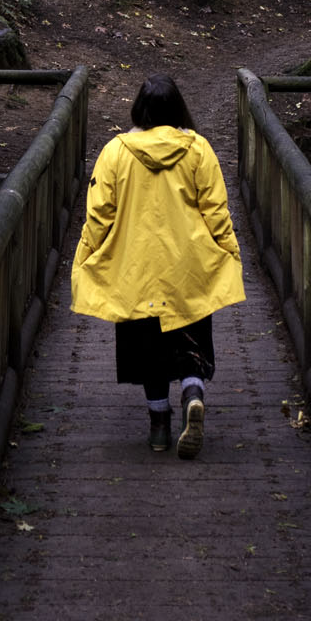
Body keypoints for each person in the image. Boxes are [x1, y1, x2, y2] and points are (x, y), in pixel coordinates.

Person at [71, 74, 245, 458]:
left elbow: (99, 213)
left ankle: (160, 430)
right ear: (178, 108)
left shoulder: (116, 152)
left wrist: (86, 255)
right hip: (189, 267)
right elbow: (216, 210)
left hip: (135, 269)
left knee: (147, 349)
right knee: (191, 337)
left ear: (139, 108)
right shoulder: (198, 149)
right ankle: (193, 395)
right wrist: (229, 251)